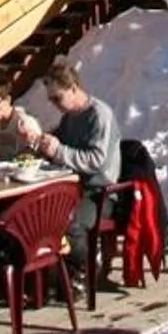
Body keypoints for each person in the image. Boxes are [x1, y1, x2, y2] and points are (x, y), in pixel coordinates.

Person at [29, 61, 120, 270]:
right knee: (38, 215)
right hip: (72, 187)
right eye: (51, 99)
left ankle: (85, 268)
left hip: (99, 192)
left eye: (57, 98)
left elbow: (97, 160)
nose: (54, 103)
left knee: (67, 222)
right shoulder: (69, 116)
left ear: (73, 88)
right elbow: (58, 144)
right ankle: (47, 273)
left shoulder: (99, 115)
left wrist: (58, 150)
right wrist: (41, 141)